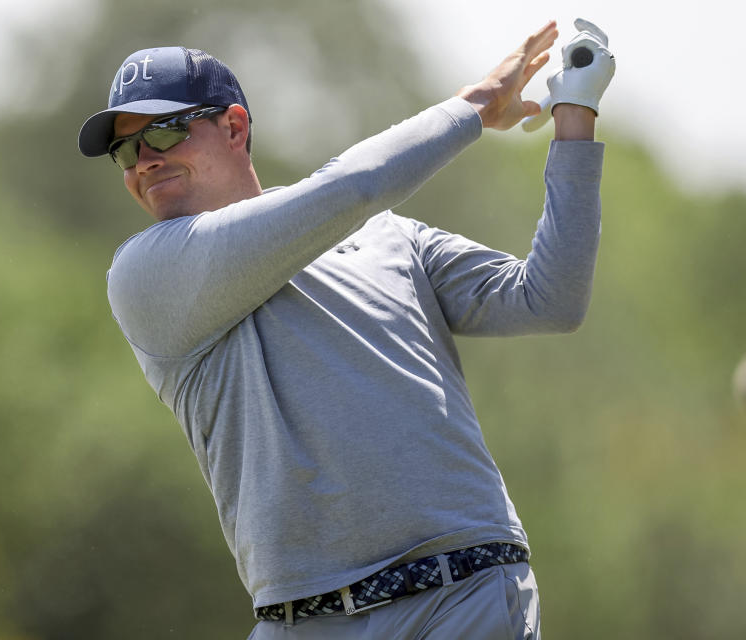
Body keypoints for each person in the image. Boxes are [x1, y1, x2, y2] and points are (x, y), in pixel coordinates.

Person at [78, 19, 614, 639]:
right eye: (126, 149)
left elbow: (548, 300)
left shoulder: (385, 233)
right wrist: (475, 105)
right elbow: (352, 187)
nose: (145, 161)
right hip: (300, 622)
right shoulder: (146, 274)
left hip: (463, 595)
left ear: (234, 127)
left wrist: (575, 118)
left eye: (164, 131)